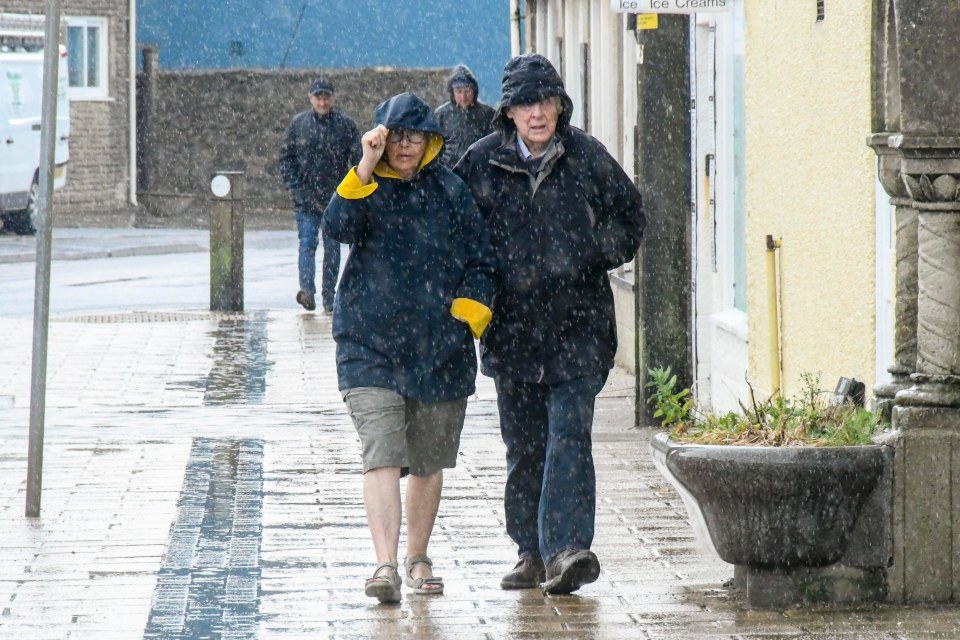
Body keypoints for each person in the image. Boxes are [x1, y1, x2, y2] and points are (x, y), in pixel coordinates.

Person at [454, 54, 645, 595]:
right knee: (524, 446)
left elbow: (630, 216)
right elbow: (456, 229)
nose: (537, 114)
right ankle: (530, 552)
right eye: (525, 104)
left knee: (567, 436)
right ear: (508, 111)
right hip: (512, 331)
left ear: (560, 106)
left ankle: (566, 549)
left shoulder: (586, 157)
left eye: (546, 102)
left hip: (579, 328)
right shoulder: (481, 162)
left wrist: (589, 254)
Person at [321, 92, 495, 604]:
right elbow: (337, 227)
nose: (405, 145)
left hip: (438, 348)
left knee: (426, 459)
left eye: (415, 137)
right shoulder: (366, 185)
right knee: (380, 451)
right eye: (395, 136)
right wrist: (364, 165)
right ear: (380, 137)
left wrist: (466, 315)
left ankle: (418, 557)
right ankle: (384, 565)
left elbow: (481, 260)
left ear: (430, 141)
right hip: (368, 343)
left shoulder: (451, 191)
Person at [279, 77, 361, 313]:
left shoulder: (345, 126)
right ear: (311, 99)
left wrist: (350, 191)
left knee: (332, 249)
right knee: (307, 244)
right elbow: (287, 158)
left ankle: (328, 296)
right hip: (306, 199)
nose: (322, 102)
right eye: (318, 97)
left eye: (326, 97)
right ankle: (307, 290)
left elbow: (356, 159)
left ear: (333, 98)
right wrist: (295, 186)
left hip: (335, 199)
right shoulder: (299, 125)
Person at [434, 64, 495, 168]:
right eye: (459, 92)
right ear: (452, 92)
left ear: (474, 90)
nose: (463, 96)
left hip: (478, 170)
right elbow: (433, 145)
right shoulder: (441, 115)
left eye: (467, 91)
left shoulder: (487, 114)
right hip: (449, 171)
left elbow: (494, 144)